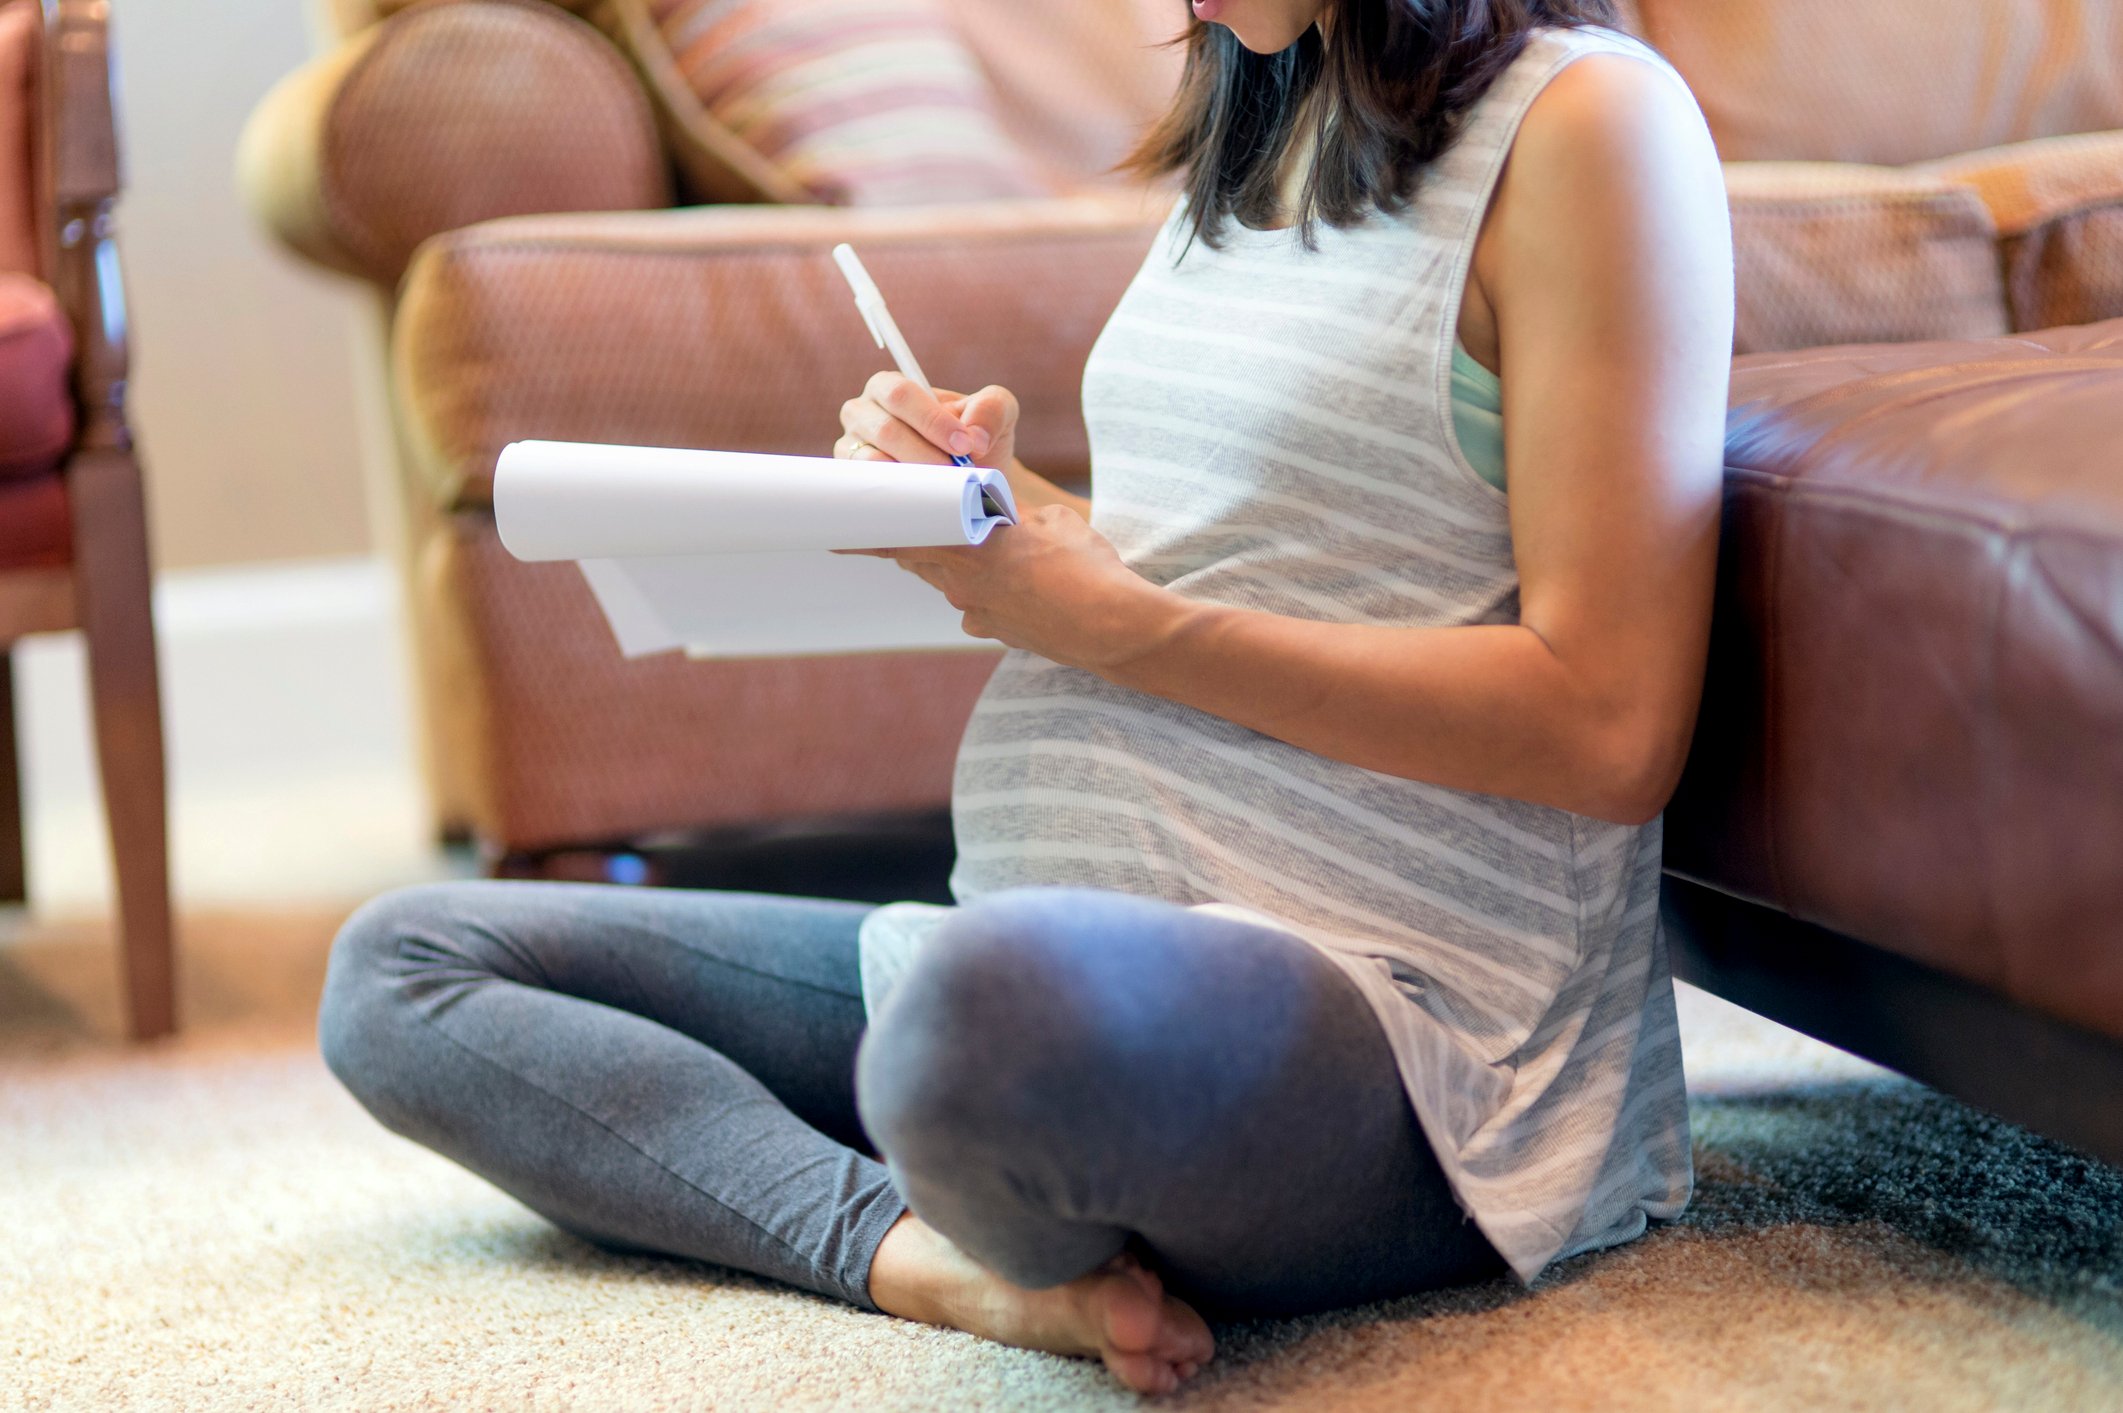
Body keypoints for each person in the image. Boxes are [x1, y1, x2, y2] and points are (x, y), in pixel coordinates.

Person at [318, 0, 1733, 1395]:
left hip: (1408, 1031)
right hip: (1069, 944)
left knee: (971, 1031)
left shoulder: (1590, 123)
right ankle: (919, 1255)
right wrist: (1014, 519)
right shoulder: (1275, 103)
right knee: (401, 969)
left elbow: (1609, 725)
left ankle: (977, 1148)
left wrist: (1121, 623)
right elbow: (1251, 563)